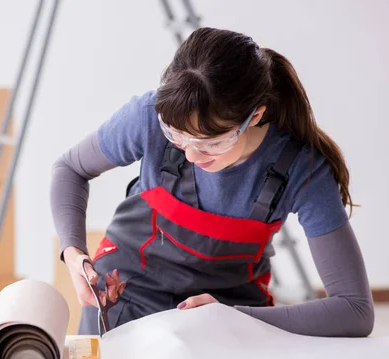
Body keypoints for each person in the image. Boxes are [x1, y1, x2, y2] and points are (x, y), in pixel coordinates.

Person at [49, 27, 374, 337]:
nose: (191, 155)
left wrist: (233, 315)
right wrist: (74, 253)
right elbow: (70, 169)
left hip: (227, 314)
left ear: (255, 116)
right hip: (124, 295)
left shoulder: (302, 170)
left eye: (211, 143)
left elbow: (355, 311)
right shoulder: (148, 117)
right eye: (176, 136)